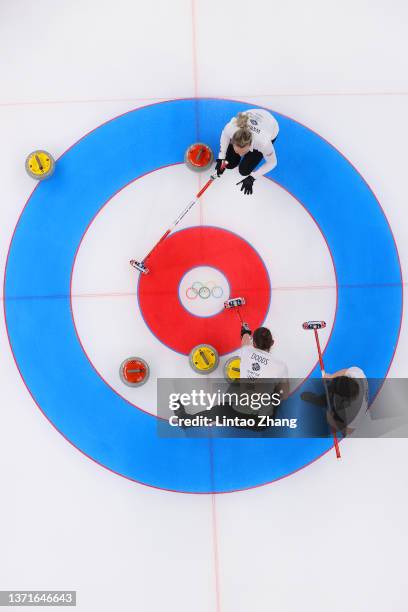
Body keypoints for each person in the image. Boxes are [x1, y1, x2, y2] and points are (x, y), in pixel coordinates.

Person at [215, 109, 279, 195]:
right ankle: (237, 154)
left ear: (251, 146)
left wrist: (252, 177)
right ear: (233, 141)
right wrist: (221, 158)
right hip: (254, 117)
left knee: (244, 171)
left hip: (270, 125)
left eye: (243, 152)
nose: (240, 155)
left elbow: (272, 162)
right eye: (237, 151)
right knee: (229, 163)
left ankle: (249, 156)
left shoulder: (262, 143)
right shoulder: (231, 128)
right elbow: (225, 135)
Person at [301, 366, 369, 436]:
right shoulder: (357, 374)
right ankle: (322, 400)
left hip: (346, 415)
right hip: (347, 401)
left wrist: (332, 422)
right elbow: (345, 371)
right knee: (331, 387)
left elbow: (348, 431)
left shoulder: (354, 416)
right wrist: (331, 376)